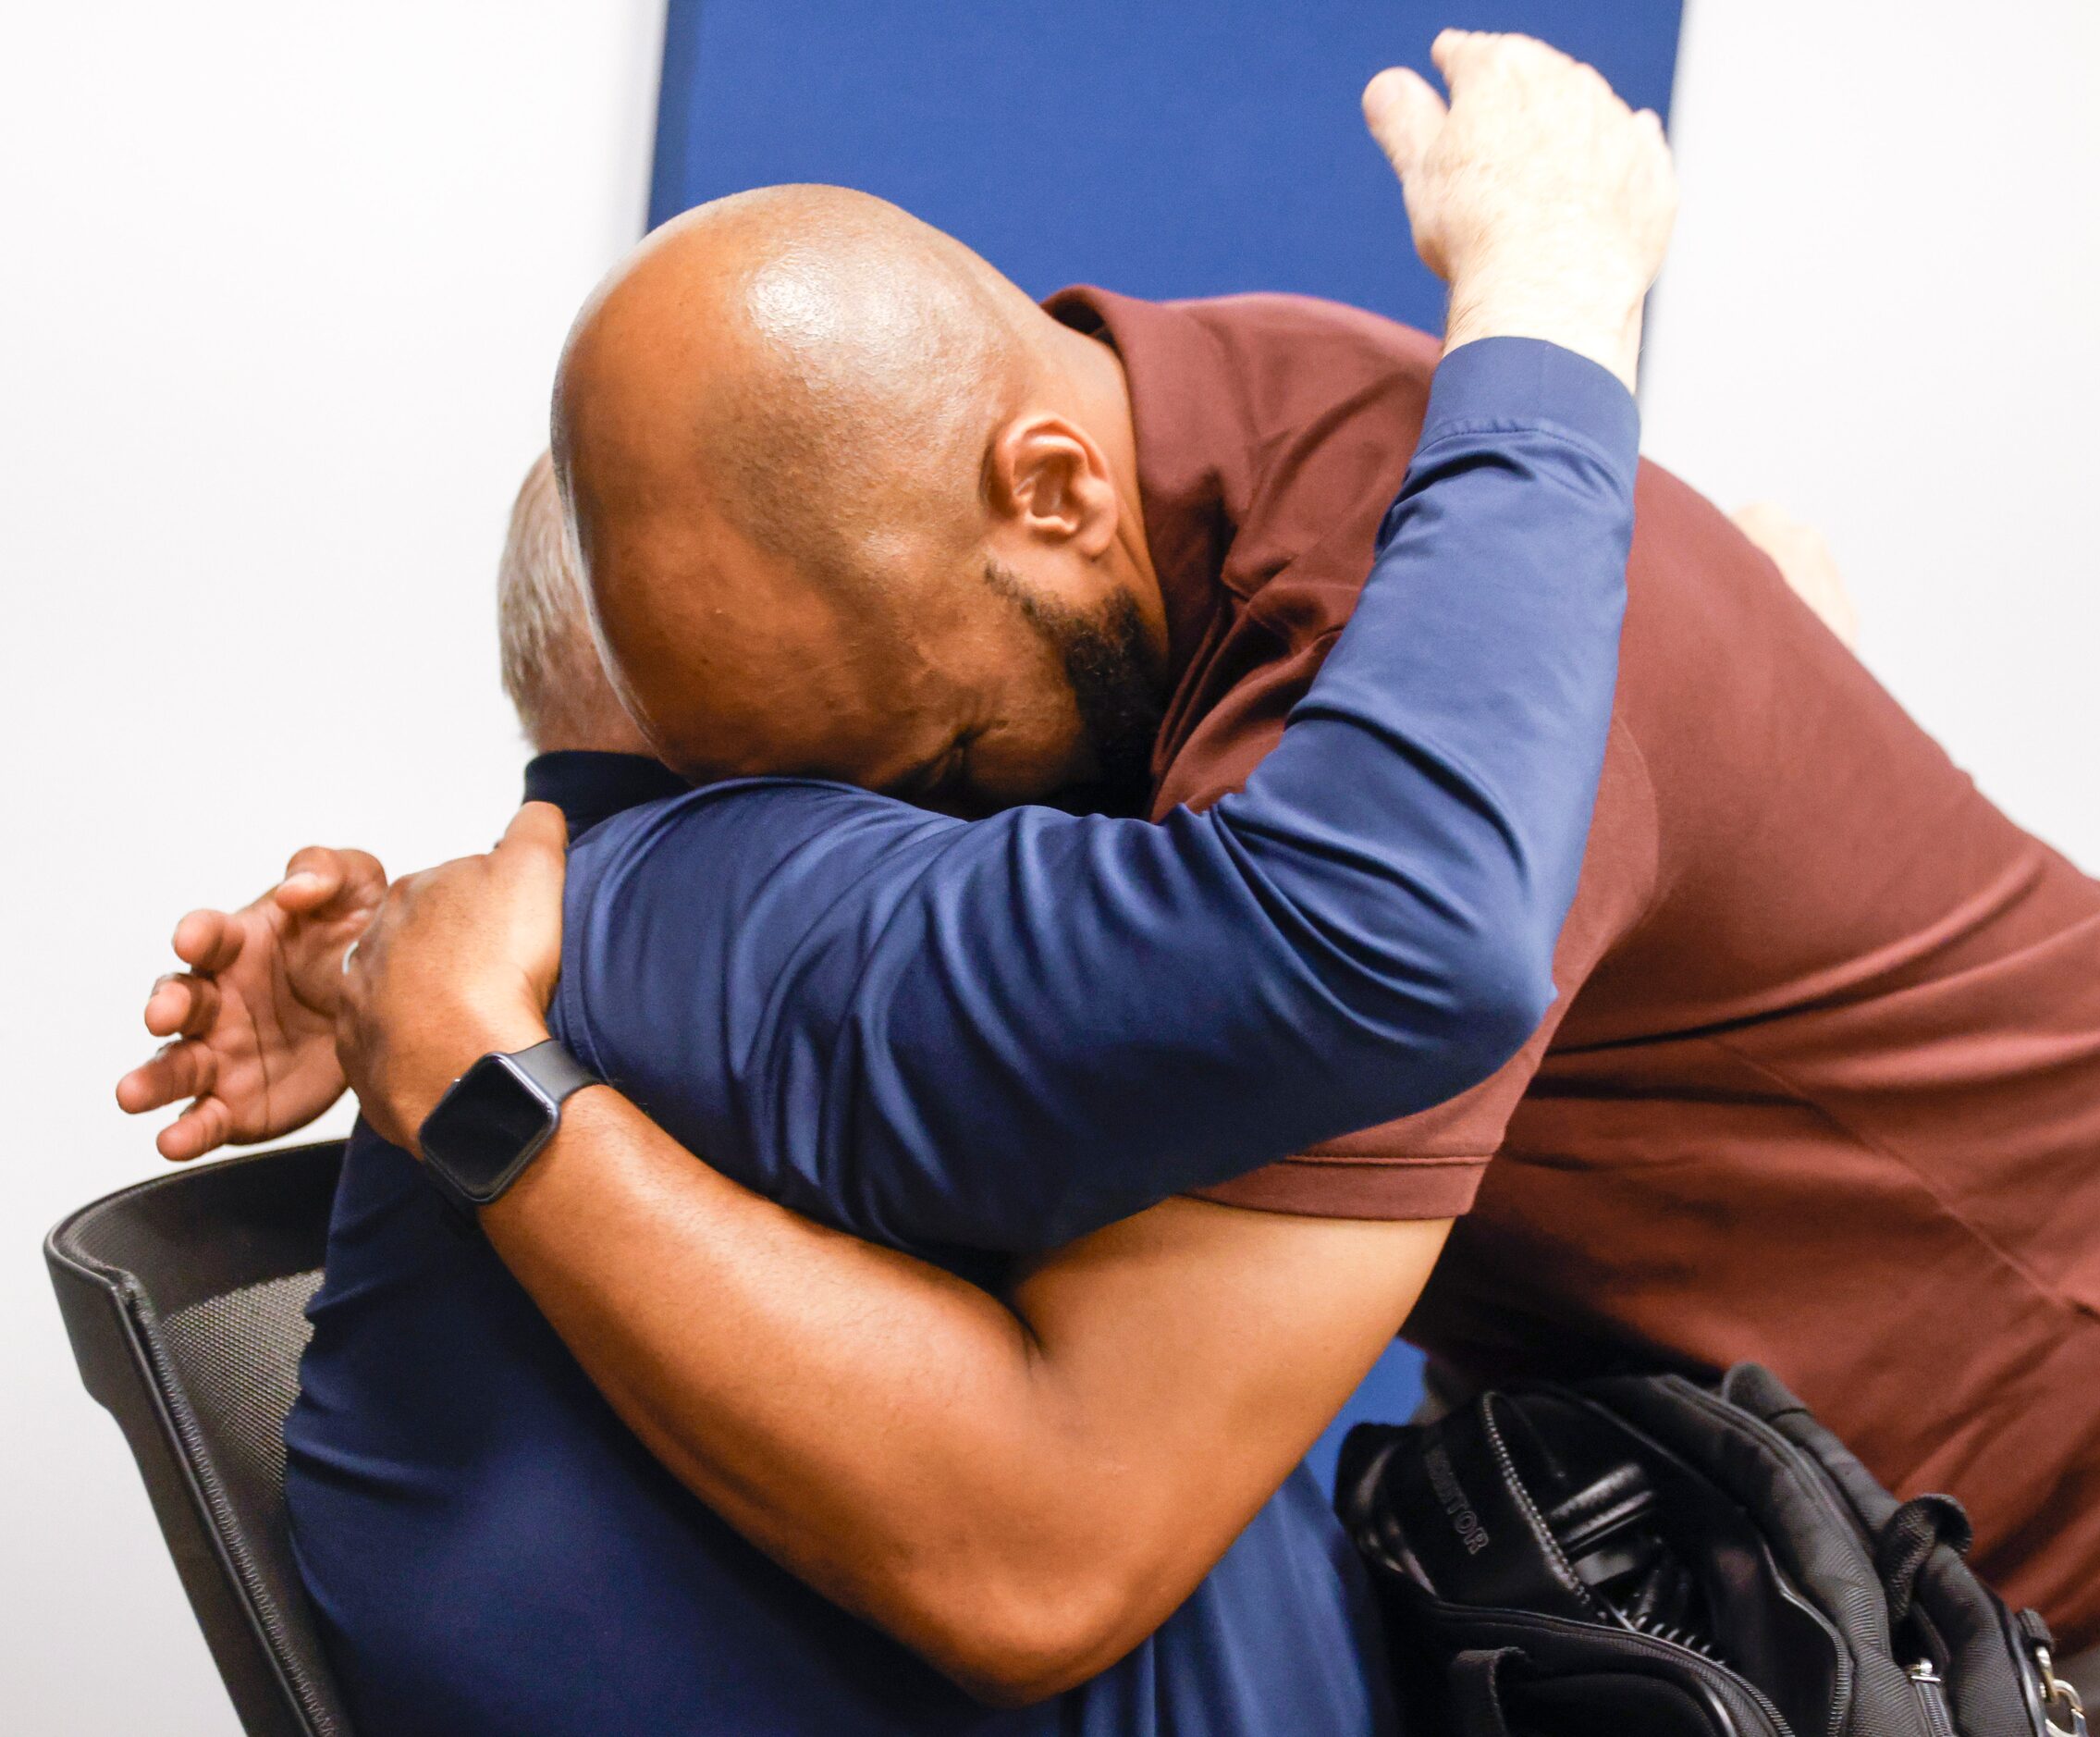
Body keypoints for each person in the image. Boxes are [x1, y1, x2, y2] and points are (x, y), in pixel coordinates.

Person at [126, 36, 2100, 1737]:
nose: (884, 848)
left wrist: (1552, 297)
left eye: (911, 774)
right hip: (1725, 1475)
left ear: (1046, 490)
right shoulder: (1130, 505)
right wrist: (441, 938)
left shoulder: (1399, 694)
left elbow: (1057, 1537)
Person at [129, 34, 1673, 1734]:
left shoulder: (563, 946)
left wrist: (386, 983)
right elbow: (1377, 937)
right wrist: (1551, 330)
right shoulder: (737, 908)